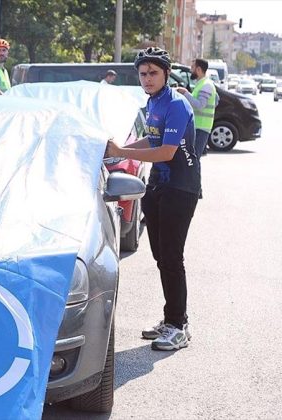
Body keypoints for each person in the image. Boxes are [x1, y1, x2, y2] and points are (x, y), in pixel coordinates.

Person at [105, 47, 200, 351]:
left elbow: (167, 152)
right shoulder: (153, 102)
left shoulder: (176, 103)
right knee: (161, 258)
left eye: (153, 73)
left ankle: (179, 326)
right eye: (143, 73)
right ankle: (170, 319)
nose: (147, 78)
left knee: (172, 258)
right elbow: (154, 139)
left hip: (181, 188)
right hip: (158, 184)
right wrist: (124, 147)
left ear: (166, 74)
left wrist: (122, 152)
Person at [176, 58, 217, 157]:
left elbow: (200, 106)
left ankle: (195, 173)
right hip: (198, 126)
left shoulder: (206, 85)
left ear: (198, 69)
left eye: (192, 67)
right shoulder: (202, 84)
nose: (191, 70)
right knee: (192, 158)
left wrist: (185, 93)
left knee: (194, 158)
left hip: (201, 127)